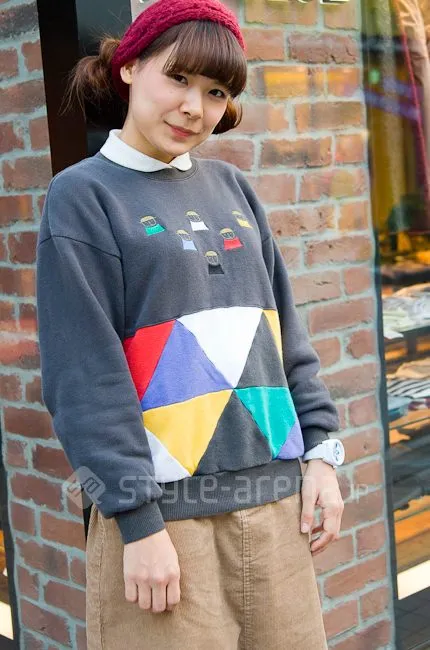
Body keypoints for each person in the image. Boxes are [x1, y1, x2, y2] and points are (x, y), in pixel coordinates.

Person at [35, 1, 346, 648]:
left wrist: (321, 455)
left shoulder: (233, 188)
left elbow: (283, 332)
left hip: (277, 506)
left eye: (215, 92)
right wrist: (137, 522)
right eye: (178, 78)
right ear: (129, 67)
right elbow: (83, 375)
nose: (193, 108)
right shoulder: (84, 196)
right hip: (166, 525)